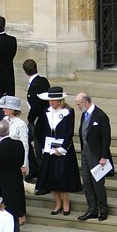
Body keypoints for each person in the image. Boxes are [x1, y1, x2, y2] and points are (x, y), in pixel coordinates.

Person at [36, 87, 82, 215]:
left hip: (63, 150)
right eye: (50, 100)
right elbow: (39, 130)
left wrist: (61, 149)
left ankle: (66, 203)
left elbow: (69, 132)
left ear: (60, 100)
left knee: (61, 177)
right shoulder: (46, 111)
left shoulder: (68, 112)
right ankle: (57, 203)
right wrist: (44, 144)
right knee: (51, 178)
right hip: (49, 149)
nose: (51, 103)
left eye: (53, 100)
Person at [75, 92, 113, 221]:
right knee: (86, 182)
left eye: (79, 104)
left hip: (96, 154)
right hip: (86, 151)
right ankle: (92, 209)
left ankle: (103, 209)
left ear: (86, 102)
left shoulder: (100, 116)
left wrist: (104, 156)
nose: (78, 107)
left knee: (97, 183)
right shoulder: (84, 115)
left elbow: (106, 138)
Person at [24, 59, 51, 184]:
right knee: (27, 142)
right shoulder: (43, 81)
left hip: (37, 119)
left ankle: (41, 174)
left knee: (38, 147)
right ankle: (35, 168)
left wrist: (30, 118)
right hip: (43, 118)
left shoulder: (35, 85)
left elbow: (36, 106)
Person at [0, 95, 30, 187]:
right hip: (5, 156)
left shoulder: (21, 124)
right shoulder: (4, 120)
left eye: (6, 108)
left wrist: (24, 164)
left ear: (13, 110)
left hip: (16, 157)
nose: (3, 109)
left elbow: (25, 145)